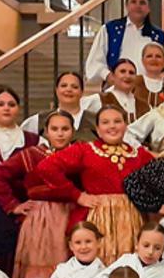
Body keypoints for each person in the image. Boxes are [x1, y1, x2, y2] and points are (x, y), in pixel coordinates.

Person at [0, 109, 77, 278]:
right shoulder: (32, 154)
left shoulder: (79, 154)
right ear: (46, 131)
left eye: (65, 129)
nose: (60, 133)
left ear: (73, 131)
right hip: (41, 220)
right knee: (39, 270)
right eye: (55, 129)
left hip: (72, 216)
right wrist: (13, 205)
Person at [29, 106, 153, 263]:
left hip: (131, 219)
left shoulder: (138, 154)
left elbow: (162, 178)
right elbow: (47, 167)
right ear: (98, 129)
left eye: (117, 121)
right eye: (105, 122)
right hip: (98, 218)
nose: (112, 126)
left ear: (125, 126)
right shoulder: (85, 150)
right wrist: (77, 195)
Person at [84, 0, 164, 85]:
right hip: (117, 88)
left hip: (151, 90)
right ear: (126, 5)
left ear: (148, 8)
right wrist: (108, 76)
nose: (138, 6)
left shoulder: (160, 36)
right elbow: (95, 61)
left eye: (142, 3)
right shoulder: (109, 30)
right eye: (133, 2)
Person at [23, 70, 95, 138]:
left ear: (82, 92)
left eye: (75, 87)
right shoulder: (39, 120)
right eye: (64, 86)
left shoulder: (95, 120)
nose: (69, 89)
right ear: (56, 90)